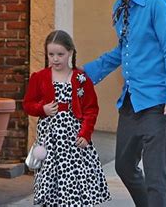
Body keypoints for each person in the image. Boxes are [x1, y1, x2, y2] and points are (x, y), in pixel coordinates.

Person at [82, 0, 166, 207]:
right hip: (131, 101)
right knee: (124, 165)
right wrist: (84, 75)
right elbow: (122, 50)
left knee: (154, 177)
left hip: (157, 104)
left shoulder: (155, 3)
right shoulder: (120, 8)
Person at [23, 30, 111, 206]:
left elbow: (91, 109)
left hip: (74, 140)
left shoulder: (81, 79)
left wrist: (85, 134)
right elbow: (27, 104)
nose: (55, 59)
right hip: (49, 141)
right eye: (51, 54)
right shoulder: (39, 78)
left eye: (60, 54)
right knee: (51, 180)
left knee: (74, 182)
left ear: (70, 52)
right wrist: (42, 109)